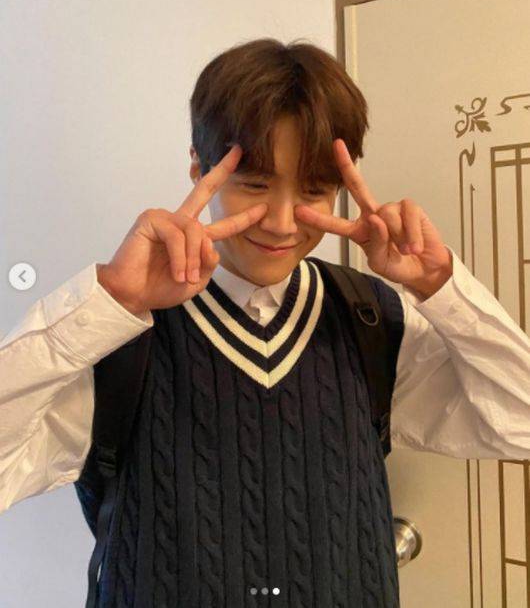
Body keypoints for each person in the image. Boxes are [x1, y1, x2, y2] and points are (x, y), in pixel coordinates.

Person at [1, 38, 529, 607]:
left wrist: (440, 286)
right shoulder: (119, 335)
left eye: (313, 190)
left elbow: (519, 423)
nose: (281, 222)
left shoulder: (370, 317)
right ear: (199, 168)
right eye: (254, 183)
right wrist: (108, 300)